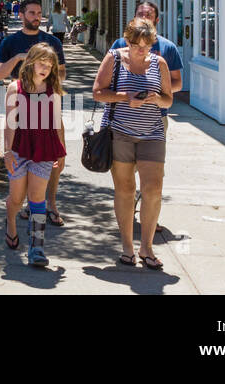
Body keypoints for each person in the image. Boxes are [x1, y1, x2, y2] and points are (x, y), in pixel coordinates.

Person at [93, 16, 173, 269]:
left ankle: (146, 247)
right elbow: (97, 92)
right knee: (125, 190)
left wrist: (155, 99)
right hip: (120, 133)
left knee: (153, 190)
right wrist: (126, 98)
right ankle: (127, 246)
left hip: (152, 133)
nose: (142, 50)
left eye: (147, 45)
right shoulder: (114, 58)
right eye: (137, 45)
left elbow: (169, 100)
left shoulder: (159, 63)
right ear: (127, 41)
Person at [0, 0, 67, 225]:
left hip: (46, 103)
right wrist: (18, 59)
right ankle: (28, 204)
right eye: (31, 13)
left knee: (51, 156)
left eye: (38, 13)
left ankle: (51, 204)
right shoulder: (10, 42)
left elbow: (62, 74)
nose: (36, 16)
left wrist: (46, 78)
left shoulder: (52, 41)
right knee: (22, 156)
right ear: (21, 15)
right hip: (19, 104)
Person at [3, 43, 66, 268]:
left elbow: (58, 122)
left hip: (44, 150)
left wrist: (62, 150)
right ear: (30, 62)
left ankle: (36, 247)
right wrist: (7, 151)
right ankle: (11, 221)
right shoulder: (15, 88)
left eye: (49, 66)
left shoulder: (53, 89)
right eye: (41, 63)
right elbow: (10, 124)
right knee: (17, 199)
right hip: (20, 149)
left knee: (37, 198)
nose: (45, 68)